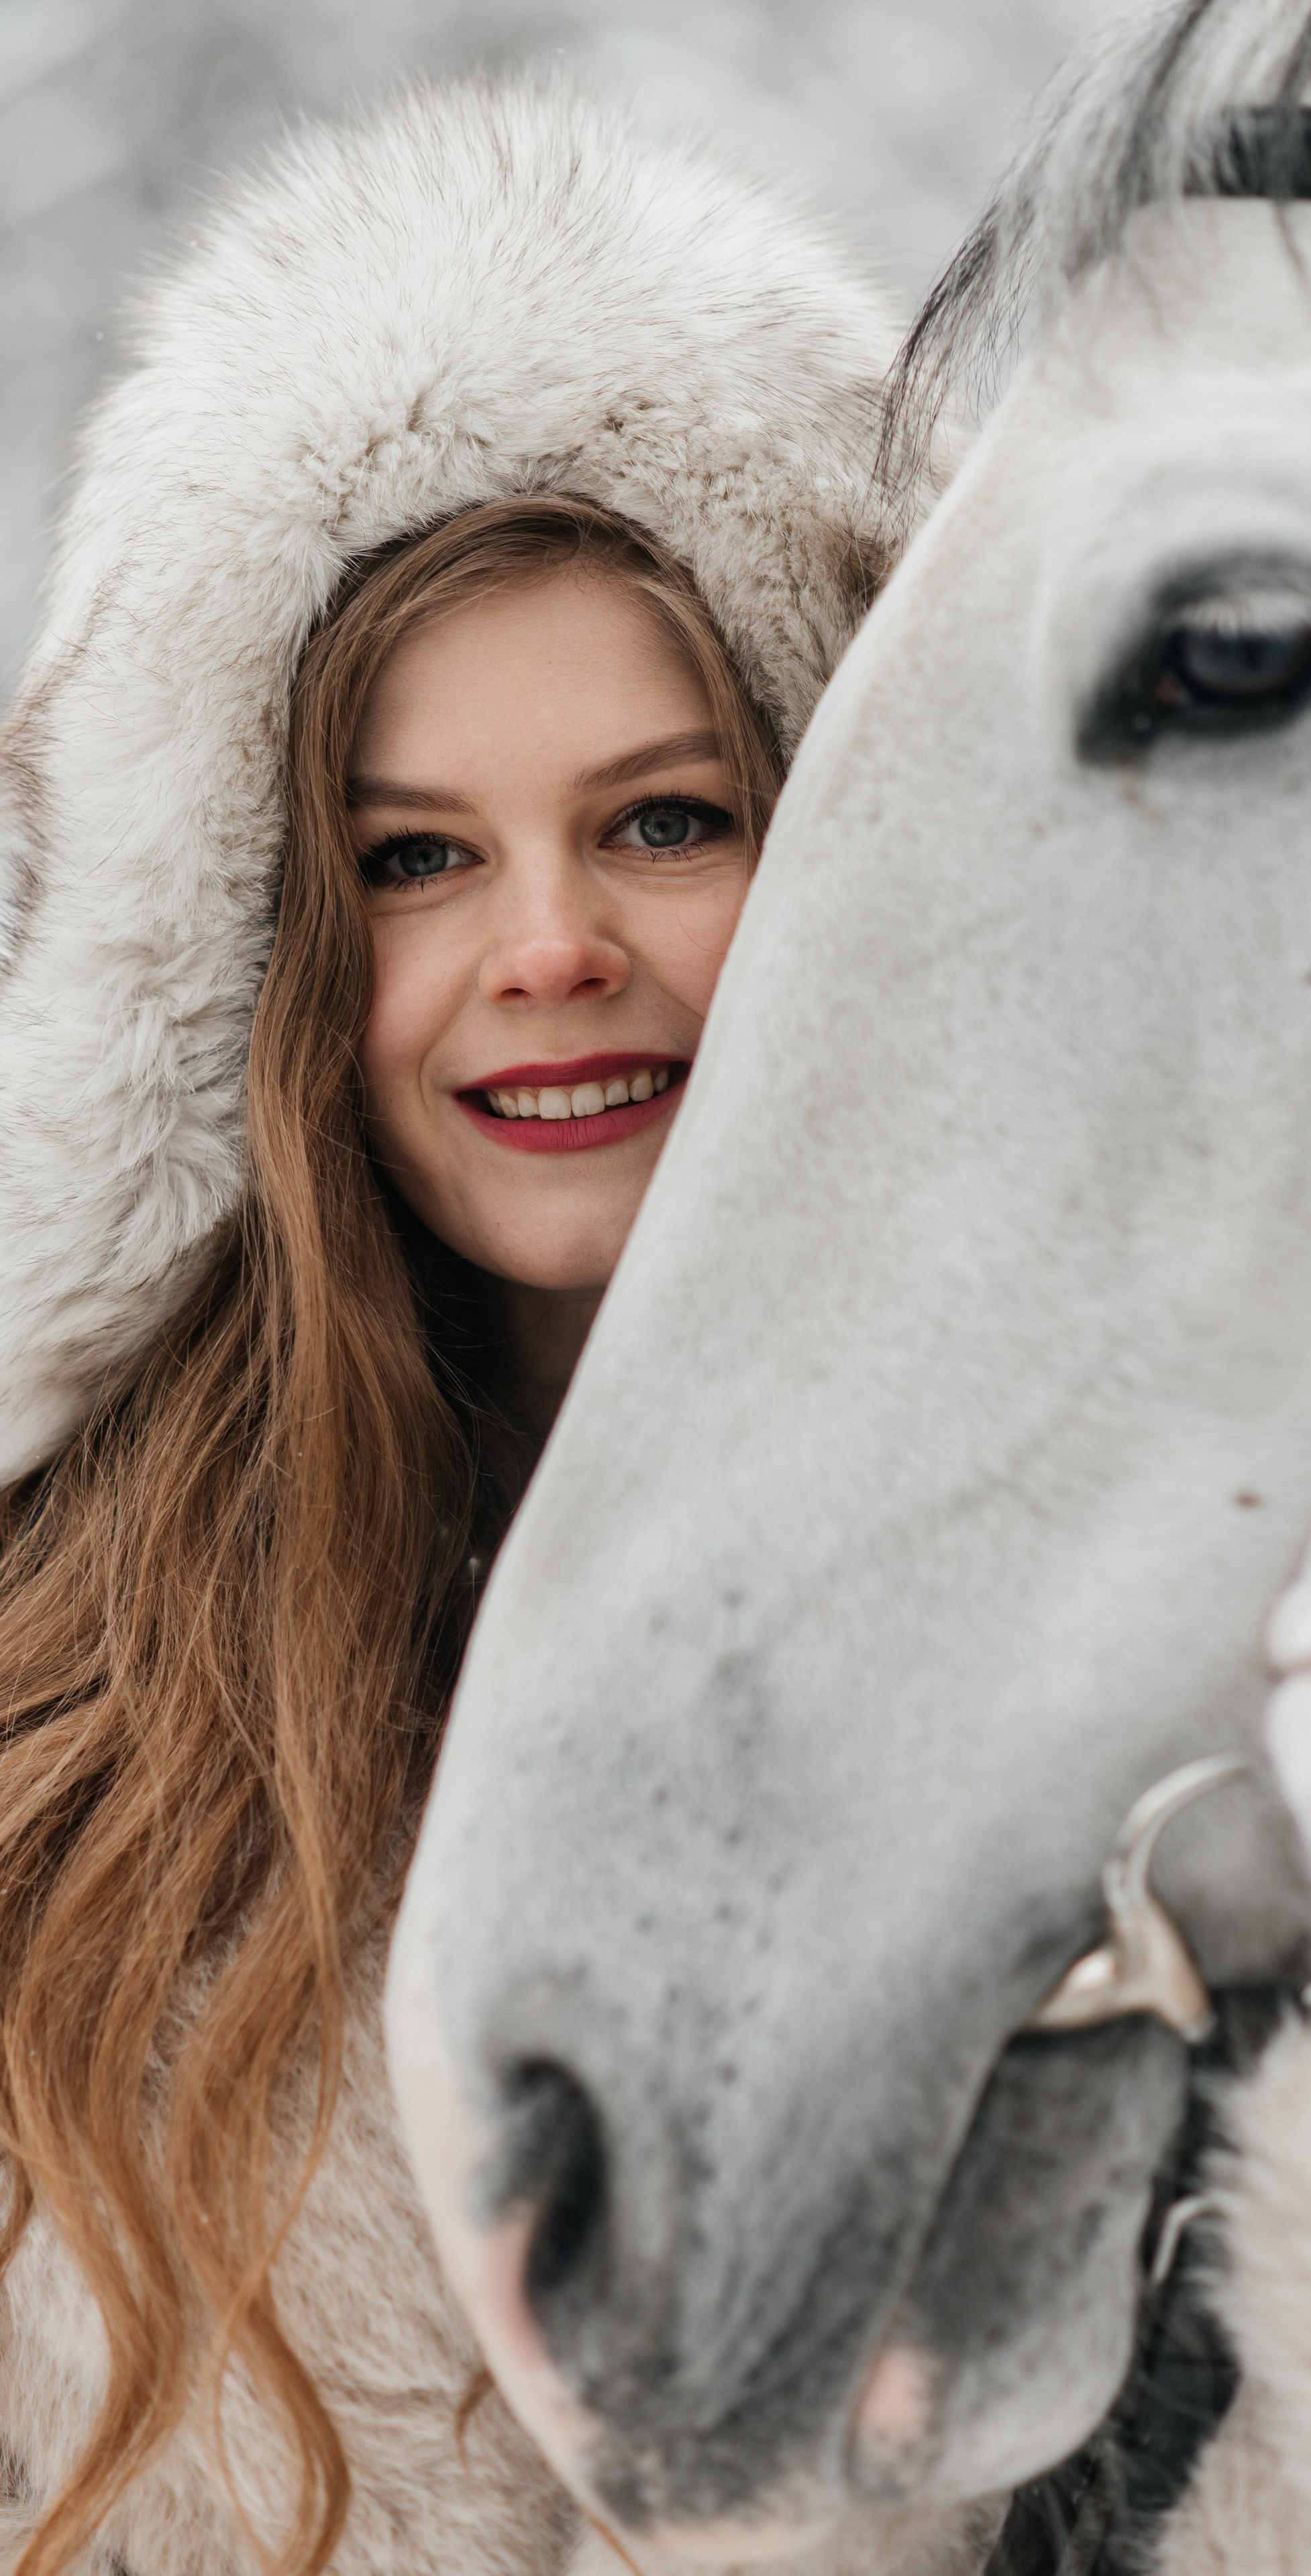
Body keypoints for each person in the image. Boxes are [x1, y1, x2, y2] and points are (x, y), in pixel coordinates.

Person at [0, 78, 930, 2576]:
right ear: (251, 955)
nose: (549, 949)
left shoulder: (1125, 1664)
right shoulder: (61, 1738)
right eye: (415, 858)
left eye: (665, 820)